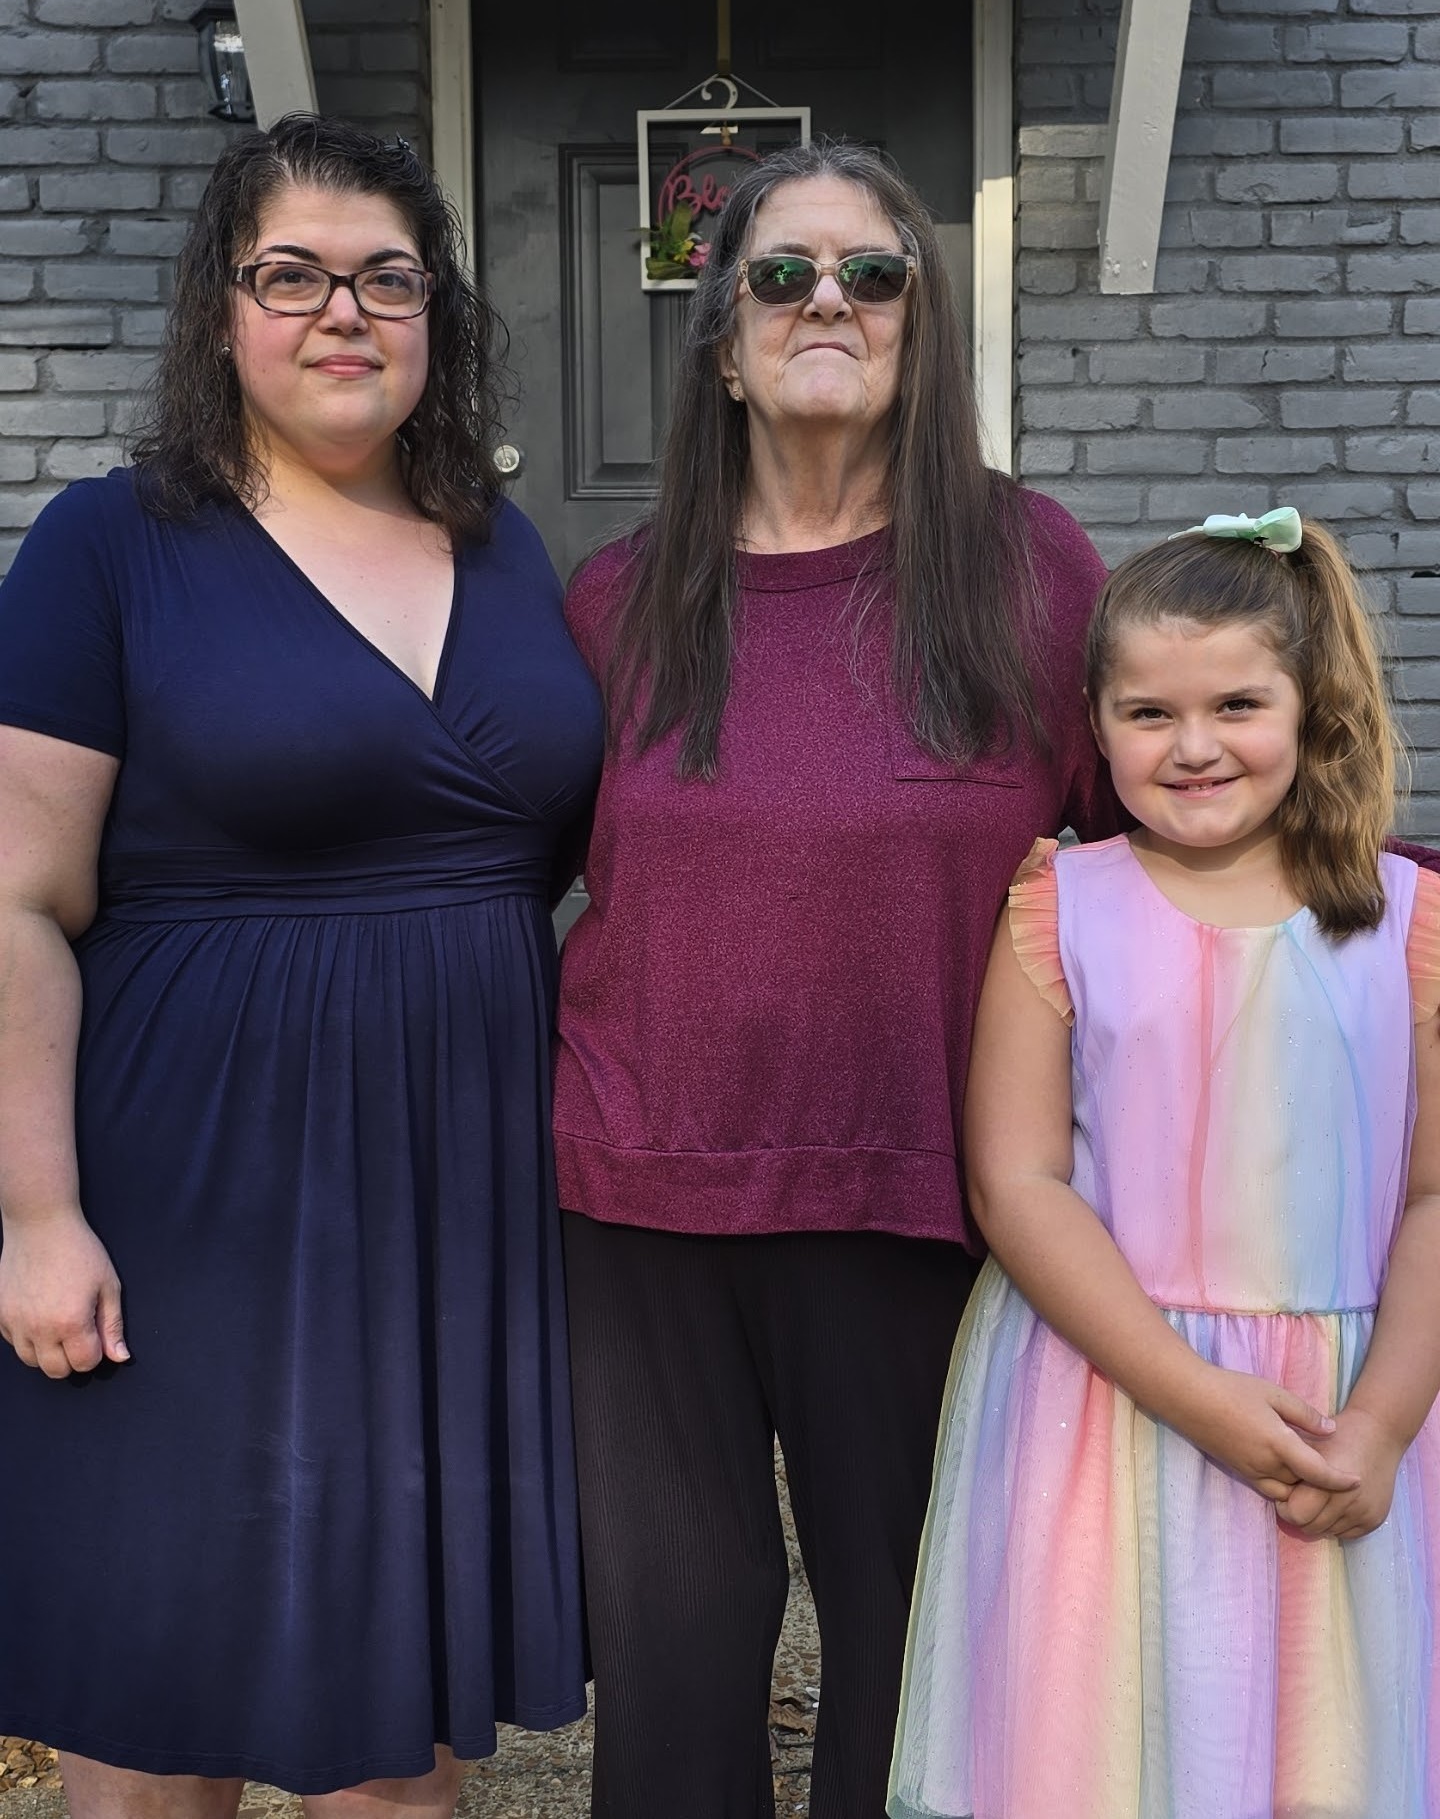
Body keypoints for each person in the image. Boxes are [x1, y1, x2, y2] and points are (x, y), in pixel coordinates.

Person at [0, 115, 601, 1816]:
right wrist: (36, 1214)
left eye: (387, 278)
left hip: (447, 1196)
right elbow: (16, 900)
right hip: (188, 1186)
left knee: (391, 1717)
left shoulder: (503, 545)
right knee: (157, 1696)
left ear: (436, 314)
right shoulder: (108, 544)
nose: (345, 312)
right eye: (294, 275)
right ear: (223, 308)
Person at [554, 138, 1123, 1819]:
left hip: (919, 1188)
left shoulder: (1029, 570)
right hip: (639, 1193)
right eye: (783, 273)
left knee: (917, 1637)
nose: (830, 302)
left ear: (920, 331)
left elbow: (1159, 834)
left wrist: (1376, 900)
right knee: (673, 1642)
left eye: (874, 274)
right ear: (724, 343)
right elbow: (490, 857)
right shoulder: (615, 599)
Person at [889, 509, 1440, 1819]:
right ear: (1096, 723)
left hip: (1344, 1416)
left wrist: (1381, 1423)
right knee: (1101, 1750)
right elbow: (1017, 1183)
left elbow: (1432, 1193)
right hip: (1109, 1407)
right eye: (1149, 713)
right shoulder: (1059, 905)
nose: (1193, 746)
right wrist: (1193, 1391)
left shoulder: (1408, 922)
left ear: (1312, 708)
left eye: (1237, 704)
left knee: (1325, 1755)